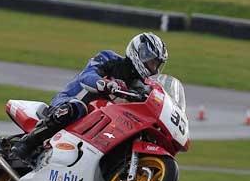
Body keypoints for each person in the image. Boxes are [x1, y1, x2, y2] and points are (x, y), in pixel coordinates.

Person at [9, 32, 168, 166]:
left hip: (98, 123)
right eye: (151, 60)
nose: (152, 67)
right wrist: (105, 84)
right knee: (76, 108)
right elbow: (87, 76)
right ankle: (25, 145)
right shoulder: (109, 59)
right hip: (70, 102)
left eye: (156, 64)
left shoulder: (140, 85)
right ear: (138, 52)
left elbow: (149, 101)